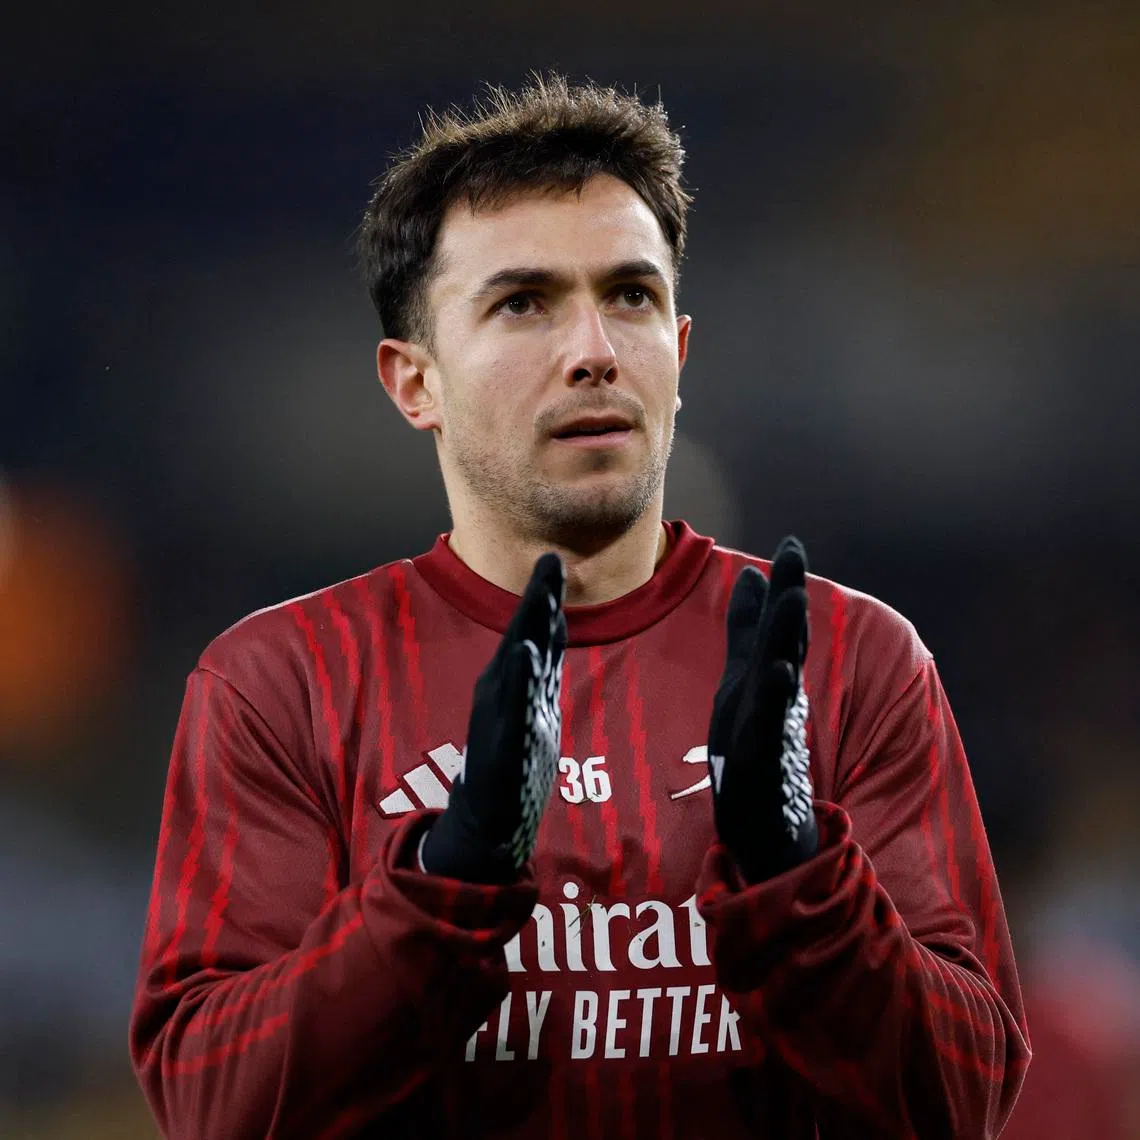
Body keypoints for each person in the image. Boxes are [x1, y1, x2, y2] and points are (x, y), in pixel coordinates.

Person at [128, 74, 1031, 1139]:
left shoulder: (852, 659)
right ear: (413, 381)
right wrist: (443, 884)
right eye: (524, 303)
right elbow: (213, 1106)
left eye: (632, 295)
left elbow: (964, 1100)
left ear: (680, 355)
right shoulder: (280, 681)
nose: (595, 349)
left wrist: (799, 877)